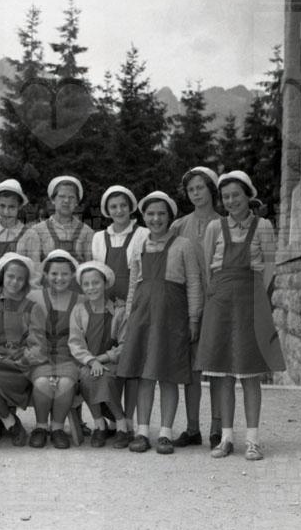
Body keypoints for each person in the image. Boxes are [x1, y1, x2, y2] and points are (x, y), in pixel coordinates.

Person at [196, 171, 285, 461]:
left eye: (236, 195)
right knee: (223, 374)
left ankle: (253, 440)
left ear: (248, 195)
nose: (231, 201)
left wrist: (259, 301)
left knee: (249, 374)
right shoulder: (214, 227)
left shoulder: (264, 226)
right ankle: (226, 438)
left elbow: (269, 268)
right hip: (221, 302)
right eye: (226, 197)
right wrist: (216, 297)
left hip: (251, 302)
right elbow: (207, 267)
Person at [118, 191, 202, 455]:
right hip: (143, 317)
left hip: (172, 318)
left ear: (170, 216)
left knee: (168, 376)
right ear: (144, 216)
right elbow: (133, 285)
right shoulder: (139, 245)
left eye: (161, 213)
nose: (156, 218)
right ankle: (143, 431)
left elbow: (194, 283)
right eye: (151, 214)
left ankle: (165, 433)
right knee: (144, 376)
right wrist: (130, 317)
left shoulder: (183, 245)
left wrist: (194, 318)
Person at [0, 253, 47, 451]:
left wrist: (19, 359)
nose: (14, 282)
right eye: (11, 276)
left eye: (20, 278)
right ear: (2, 276)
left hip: (19, 366)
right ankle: (3, 424)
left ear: (26, 281)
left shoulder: (33, 308)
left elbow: (38, 347)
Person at [170, 167, 222, 449]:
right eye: (191, 189)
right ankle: (192, 428)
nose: (196, 193)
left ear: (211, 189)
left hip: (217, 302)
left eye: (200, 187)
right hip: (187, 304)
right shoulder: (179, 226)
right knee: (191, 369)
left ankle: (217, 428)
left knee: (216, 367)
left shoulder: (224, 223)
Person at [91, 184, 148, 437]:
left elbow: (142, 273)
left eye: (123, 205)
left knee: (131, 366)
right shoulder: (98, 237)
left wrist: (133, 306)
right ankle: (113, 419)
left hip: (134, 307)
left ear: (131, 207)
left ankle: (130, 419)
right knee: (108, 365)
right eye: (113, 206)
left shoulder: (143, 234)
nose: (119, 210)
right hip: (107, 310)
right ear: (107, 210)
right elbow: (97, 274)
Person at [69, 261, 131, 449]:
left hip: (111, 362)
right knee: (87, 376)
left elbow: (124, 344)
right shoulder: (79, 310)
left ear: (105, 283)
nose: (91, 287)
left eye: (95, 282)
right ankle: (99, 424)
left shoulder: (119, 311)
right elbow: (75, 342)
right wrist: (90, 360)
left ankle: (121, 424)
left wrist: (101, 359)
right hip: (86, 362)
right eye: (86, 284)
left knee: (104, 377)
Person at [27, 250, 83, 450]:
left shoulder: (81, 300)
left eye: (65, 274)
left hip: (68, 355)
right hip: (40, 353)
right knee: (42, 382)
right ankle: (41, 427)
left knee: (65, 383)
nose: (59, 278)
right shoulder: (33, 297)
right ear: (45, 274)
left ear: (73, 275)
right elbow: (28, 331)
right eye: (54, 274)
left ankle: (58, 427)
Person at [18, 175, 94, 266]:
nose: (66, 201)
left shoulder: (87, 233)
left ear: (77, 202)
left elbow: (90, 267)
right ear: (53, 200)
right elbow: (32, 267)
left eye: (71, 197)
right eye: (62, 196)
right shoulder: (36, 231)